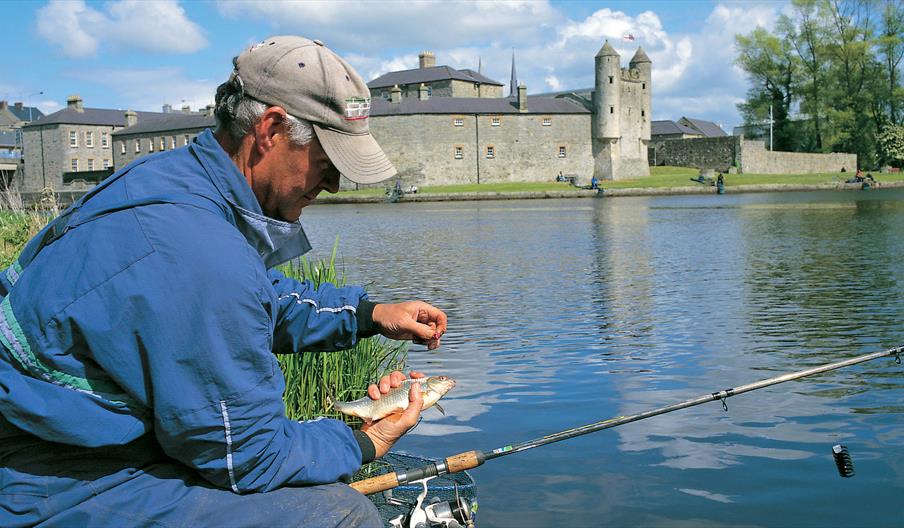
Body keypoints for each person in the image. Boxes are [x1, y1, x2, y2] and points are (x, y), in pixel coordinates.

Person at [0, 35, 447, 527]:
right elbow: (249, 456)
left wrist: (367, 316)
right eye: (327, 163)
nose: (335, 184)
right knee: (339, 514)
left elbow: (246, 296)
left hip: (51, 443)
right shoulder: (195, 251)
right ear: (271, 129)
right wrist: (367, 440)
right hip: (46, 478)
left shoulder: (168, 179)